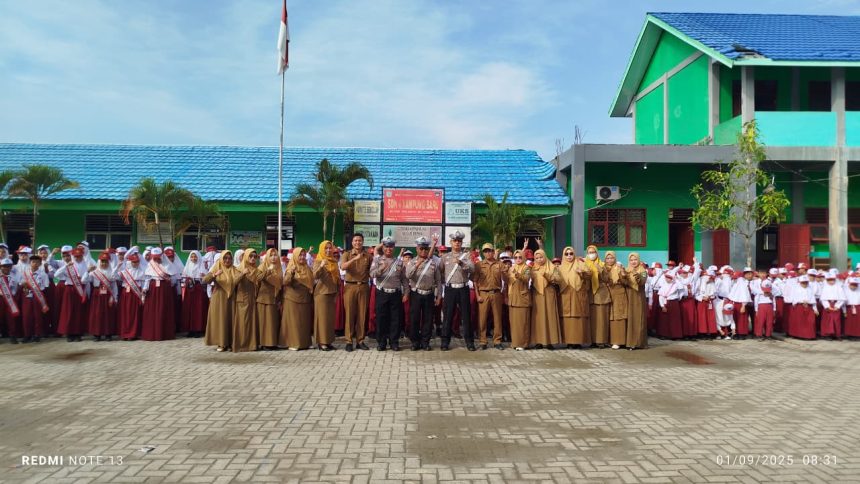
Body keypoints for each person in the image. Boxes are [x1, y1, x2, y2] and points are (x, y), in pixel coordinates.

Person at [370, 237, 409, 351]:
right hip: (382, 292)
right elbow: (371, 274)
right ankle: (381, 342)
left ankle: (394, 342)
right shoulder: (377, 260)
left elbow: (404, 279)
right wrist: (381, 269)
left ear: (394, 248)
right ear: (383, 247)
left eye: (391, 246)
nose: (388, 249)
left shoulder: (399, 262)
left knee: (395, 319)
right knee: (381, 318)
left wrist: (406, 293)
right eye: (386, 246)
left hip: (395, 294)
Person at [439, 230, 475, 351]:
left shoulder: (467, 256)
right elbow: (441, 271)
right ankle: (445, 342)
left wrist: (461, 263)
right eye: (455, 241)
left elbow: (472, 268)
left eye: (459, 241)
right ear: (451, 242)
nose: (457, 243)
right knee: (448, 316)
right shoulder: (445, 257)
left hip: (463, 288)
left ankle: (469, 342)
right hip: (450, 289)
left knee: (466, 316)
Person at [405, 235, 442, 351]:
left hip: (429, 294)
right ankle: (415, 342)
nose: (424, 251)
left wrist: (439, 296)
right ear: (417, 249)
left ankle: (425, 342)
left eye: (426, 249)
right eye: (421, 248)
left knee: (428, 319)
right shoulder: (411, 262)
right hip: (416, 293)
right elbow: (408, 275)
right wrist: (417, 265)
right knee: (414, 318)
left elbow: (438, 281)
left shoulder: (433, 263)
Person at [204, 250, 243, 352]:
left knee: (231, 319)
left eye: (229, 258)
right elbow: (205, 280)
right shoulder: (216, 268)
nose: (227, 260)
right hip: (219, 298)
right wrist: (214, 275)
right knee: (220, 320)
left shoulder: (235, 270)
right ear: (221, 259)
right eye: (225, 258)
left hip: (231, 299)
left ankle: (230, 342)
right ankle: (221, 343)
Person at [340, 233, 372, 351]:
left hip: (363, 287)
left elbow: (371, 271)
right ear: (352, 242)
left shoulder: (368, 256)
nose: (357, 242)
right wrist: (355, 259)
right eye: (355, 241)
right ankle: (349, 341)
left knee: (362, 314)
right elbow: (343, 267)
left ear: (362, 242)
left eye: (359, 240)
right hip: (350, 286)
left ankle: (360, 340)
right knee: (350, 314)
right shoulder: (347, 254)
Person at [557, 246, 591, 349]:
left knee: (578, 317)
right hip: (565, 295)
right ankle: (568, 342)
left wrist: (582, 273)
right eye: (566, 254)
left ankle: (578, 341)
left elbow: (589, 275)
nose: (569, 256)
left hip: (578, 294)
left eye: (571, 253)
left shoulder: (580, 264)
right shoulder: (560, 267)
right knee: (567, 318)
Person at [280, 247, 313, 350]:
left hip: (305, 298)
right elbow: (285, 282)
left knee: (304, 321)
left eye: (304, 255)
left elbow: (312, 280)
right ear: (295, 256)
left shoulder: (307, 268)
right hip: (292, 298)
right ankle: (293, 343)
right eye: (300, 255)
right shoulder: (291, 267)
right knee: (294, 322)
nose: (302, 257)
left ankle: (305, 343)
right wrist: (291, 273)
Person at [474, 242, 505, 350]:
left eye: (489, 251)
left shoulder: (499, 264)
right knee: (482, 319)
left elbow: (506, 279)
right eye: (485, 251)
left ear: (493, 252)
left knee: (497, 318)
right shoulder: (479, 265)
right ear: (483, 253)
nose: (488, 253)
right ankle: (483, 341)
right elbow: (475, 281)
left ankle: (497, 341)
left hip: (496, 293)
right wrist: (477, 296)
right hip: (483, 293)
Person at [141, 247, 176, 341]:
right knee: (152, 311)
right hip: (152, 290)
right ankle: (152, 333)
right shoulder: (150, 265)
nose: (156, 259)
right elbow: (147, 278)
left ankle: (164, 333)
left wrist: (168, 284)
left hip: (164, 289)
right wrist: (145, 288)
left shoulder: (168, 265)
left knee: (163, 309)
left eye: (158, 257)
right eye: (154, 257)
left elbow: (173, 279)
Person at [55, 246, 89, 342]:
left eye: (80, 256)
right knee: (68, 311)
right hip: (69, 289)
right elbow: (56, 275)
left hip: (80, 290)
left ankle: (78, 333)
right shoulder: (69, 266)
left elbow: (86, 280)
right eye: (76, 256)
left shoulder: (86, 265)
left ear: (82, 256)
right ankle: (69, 333)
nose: (78, 258)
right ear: (73, 256)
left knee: (79, 312)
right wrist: (66, 266)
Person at [529, 249, 561, 349]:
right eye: (537, 258)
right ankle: (539, 341)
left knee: (549, 316)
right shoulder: (532, 268)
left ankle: (550, 341)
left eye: (541, 257)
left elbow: (558, 279)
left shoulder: (551, 267)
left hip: (549, 293)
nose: (539, 259)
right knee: (538, 318)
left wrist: (546, 274)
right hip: (537, 294)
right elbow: (527, 279)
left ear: (545, 256)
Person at [229, 247, 259, 352]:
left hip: (252, 299)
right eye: (250, 256)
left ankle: (252, 345)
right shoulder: (239, 269)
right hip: (242, 299)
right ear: (245, 257)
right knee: (243, 323)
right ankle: (241, 345)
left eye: (255, 256)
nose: (253, 258)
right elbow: (233, 283)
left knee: (251, 323)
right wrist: (242, 274)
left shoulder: (256, 269)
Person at [84, 251, 118, 341]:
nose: (104, 263)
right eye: (102, 261)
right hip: (97, 295)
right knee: (97, 314)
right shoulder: (94, 272)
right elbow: (84, 281)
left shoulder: (112, 273)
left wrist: (114, 297)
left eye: (106, 262)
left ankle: (108, 334)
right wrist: (87, 271)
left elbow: (114, 287)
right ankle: (97, 334)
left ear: (109, 262)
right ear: (99, 262)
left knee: (108, 315)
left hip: (108, 295)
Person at [312, 241, 339, 351]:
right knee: (322, 319)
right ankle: (322, 342)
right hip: (322, 293)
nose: (328, 250)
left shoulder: (333, 261)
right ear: (322, 249)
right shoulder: (319, 260)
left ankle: (328, 341)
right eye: (326, 248)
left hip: (332, 292)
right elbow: (314, 275)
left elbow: (336, 278)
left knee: (329, 319)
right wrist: (321, 266)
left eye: (330, 248)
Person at [253, 248, 282, 351]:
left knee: (273, 322)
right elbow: (258, 278)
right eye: (271, 255)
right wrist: (268, 270)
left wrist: (280, 299)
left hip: (274, 299)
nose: (273, 257)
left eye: (275, 255)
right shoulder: (262, 266)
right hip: (264, 298)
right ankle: (264, 343)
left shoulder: (279, 268)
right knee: (264, 322)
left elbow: (280, 284)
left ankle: (272, 342)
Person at [584, 245, 610, 347]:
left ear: (597, 253)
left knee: (601, 318)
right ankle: (593, 341)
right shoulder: (585, 264)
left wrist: (601, 271)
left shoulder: (602, 264)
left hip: (601, 294)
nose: (592, 254)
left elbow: (607, 279)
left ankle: (602, 341)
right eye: (589, 252)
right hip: (590, 294)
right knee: (592, 319)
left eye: (593, 252)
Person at [20, 256, 50, 342]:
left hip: (38, 297)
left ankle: (37, 334)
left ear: (40, 263)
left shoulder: (43, 274)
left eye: (37, 262)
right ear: (30, 263)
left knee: (37, 316)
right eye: (33, 262)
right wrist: (24, 284)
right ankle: (27, 334)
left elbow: (46, 286)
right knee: (27, 316)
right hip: (27, 297)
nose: (35, 264)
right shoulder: (25, 273)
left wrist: (35, 289)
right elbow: (20, 283)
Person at [603, 251, 629, 349]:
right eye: (607, 258)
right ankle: (610, 340)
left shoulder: (619, 268)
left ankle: (619, 341)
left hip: (619, 294)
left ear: (615, 259)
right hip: (607, 293)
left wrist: (622, 274)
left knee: (619, 317)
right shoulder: (604, 268)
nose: (610, 260)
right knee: (609, 317)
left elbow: (625, 282)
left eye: (612, 258)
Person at [181, 250, 209, 337]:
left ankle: (198, 329)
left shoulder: (202, 266)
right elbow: (183, 277)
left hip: (198, 289)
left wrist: (202, 277)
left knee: (198, 308)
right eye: (192, 257)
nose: (194, 258)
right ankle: (190, 329)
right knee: (189, 308)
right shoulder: (187, 266)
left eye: (195, 256)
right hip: (189, 289)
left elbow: (205, 279)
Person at [118, 253, 146, 341]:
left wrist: (142, 295)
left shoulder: (142, 272)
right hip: (126, 294)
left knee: (135, 314)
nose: (135, 263)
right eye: (133, 262)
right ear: (130, 262)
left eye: (137, 262)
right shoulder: (124, 272)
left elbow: (143, 284)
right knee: (125, 314)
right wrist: (118, 266)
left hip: (135, 294)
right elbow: (113, 277)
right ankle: (125, 333)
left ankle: (133, 334)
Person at [625, 252, 649, 350]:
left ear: (638, 260)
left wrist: (637, 275)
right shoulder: (627, 270)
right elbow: (624, 282)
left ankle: (639, 342)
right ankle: (630, 342)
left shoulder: (643, 271)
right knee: (630, 319)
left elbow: (643, 281)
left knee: (638, 318)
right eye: (631, 260)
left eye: (635, 259)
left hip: (638, 297)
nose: (633, 262)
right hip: (628, 296)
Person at [657, 270, 684, 339]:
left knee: (674, 319)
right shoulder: (663, 286)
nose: (667, 279)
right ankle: (664, 334)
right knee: (664, 320)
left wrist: (676, 278)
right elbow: (661, 296)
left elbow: (681, 288)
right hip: (666, 303)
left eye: (669, 278)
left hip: (674, 303)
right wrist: (662, 305)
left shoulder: (675, 285)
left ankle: (675, 335)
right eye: (666, 277)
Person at [789, 275, 818, 340]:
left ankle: (809, 335)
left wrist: (815, 309)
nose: (804, 284)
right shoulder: (796, 289)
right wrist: (802, 301)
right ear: (800, 283)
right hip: (800, 306)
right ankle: (800, 335)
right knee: (800, 322)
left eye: (806, 282)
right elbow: (794, 298)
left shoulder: (810, 289)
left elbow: (813, 299)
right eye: (803, 283)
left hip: (809, 306)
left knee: (810, 321)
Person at [0, 258, 21, 344]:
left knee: (11, 318)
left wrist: (12, 295)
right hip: (0, 298)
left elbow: (16, 288)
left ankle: (12, 336)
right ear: (1, 267)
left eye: (8, 266)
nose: (6, 268)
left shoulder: (14, 276)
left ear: (11, 267)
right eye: (4, 266)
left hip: (11, 299)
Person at [819, 273, 844, 340]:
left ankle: (837, 334)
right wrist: (827, 306)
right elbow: (823, 299)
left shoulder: (838, 287)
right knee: (827, 320)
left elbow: (842, 298)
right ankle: (827, 334)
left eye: (832, 280)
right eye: (829, 280)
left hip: (836, 304)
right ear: (826, 280)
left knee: (836, 320)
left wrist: (837, 306)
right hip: (828, 305)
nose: (831, 282)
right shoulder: (825, 288)